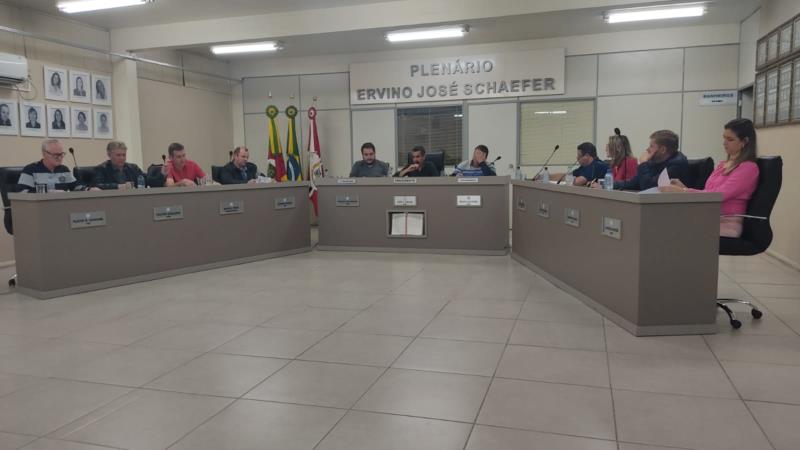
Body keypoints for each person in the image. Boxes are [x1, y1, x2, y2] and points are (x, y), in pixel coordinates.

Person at [660, 119, 759, 238]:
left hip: (726, 224)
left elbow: (718, 195)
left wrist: (683, 191)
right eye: (724, 138)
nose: (724, 143)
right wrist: (683, 188)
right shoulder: (723, 165)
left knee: (672, 230)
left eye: (730, 139)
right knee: (665, 224)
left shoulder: (748, 168)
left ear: (745, 141)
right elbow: (708, 192)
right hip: (709, 217)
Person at [602, 129, 689, 191]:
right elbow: (633, 183)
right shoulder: (655, 161)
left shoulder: (677, 164)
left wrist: (643, 163)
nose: (648, 149)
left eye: (651, 146)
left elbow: (649, 189)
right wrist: (604, 184)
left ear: (663, 150)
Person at [15, 139, 82, 192]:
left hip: (61, 205)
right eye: (56, 155)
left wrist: (86, 189)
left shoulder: (64, 170)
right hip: (39, 205)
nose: (59, 158)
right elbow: (21, 192)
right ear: (44, 154)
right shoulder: (30, 169)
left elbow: (76, 187)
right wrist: (48, 193)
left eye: (61, 154)